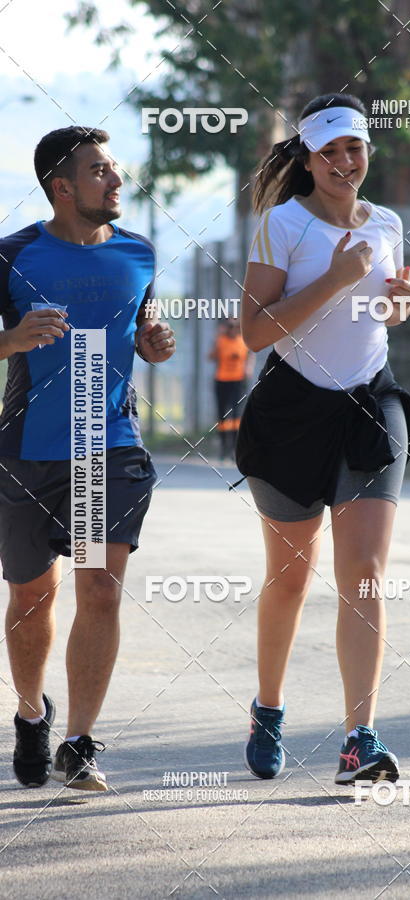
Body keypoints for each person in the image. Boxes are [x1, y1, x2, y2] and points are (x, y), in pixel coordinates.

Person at [235, 92, 410, 785]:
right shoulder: (281, 224)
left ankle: (357, 741)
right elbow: (255, 331)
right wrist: (337, 280)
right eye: (330, 151)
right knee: (290, 578)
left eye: (355, 148)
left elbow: (381, 317)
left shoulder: (388, 222)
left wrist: (396, 308)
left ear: (368, 151)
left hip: (371, 406)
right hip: (292, 412)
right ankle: (269, 708)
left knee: (364, 573)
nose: (345, 161)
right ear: (308, 159)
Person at [0, 126, 176, 791]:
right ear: (63, 187)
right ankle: (30, 713)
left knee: (99, 589)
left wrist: (154, 343)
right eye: (100, 170)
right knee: (31, 596)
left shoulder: (138, 252)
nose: (116, 180)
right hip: (27, 451)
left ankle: (78, 743)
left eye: (114, 168)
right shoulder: (12, 255)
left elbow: (140, 331)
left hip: (108, 446)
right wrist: (11, 340)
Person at [208, 318, 254, 460]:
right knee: (222, 414)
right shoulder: (220, 340)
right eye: (230, 326)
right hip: (222, 381)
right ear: (226, 327)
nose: (233, 329)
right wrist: (216, 339)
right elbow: (210, 357)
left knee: (237, 415)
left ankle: (235, 447)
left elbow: (250, 354)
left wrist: (248, 367)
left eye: (235, 326)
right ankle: (224, 447)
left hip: (238, 382)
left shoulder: (243, 340)